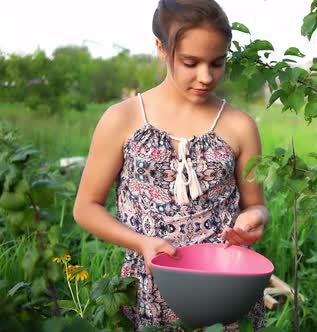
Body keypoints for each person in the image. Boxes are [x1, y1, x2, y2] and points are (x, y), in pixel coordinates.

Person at [72, 0, 269, 330]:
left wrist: (253, 219)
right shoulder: (123, 118)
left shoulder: (240, 126)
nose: (206, 76)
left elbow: (257, 205)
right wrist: (141, 243)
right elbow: (86, 208)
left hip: (225, 288)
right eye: (190, 62)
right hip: (150, 282)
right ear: (162, 49)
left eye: (217, 63)